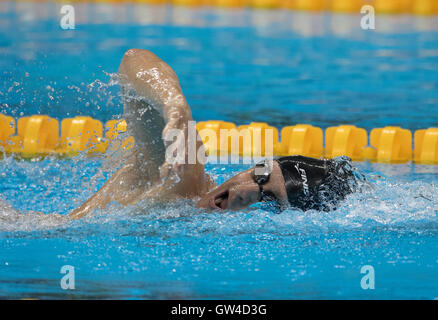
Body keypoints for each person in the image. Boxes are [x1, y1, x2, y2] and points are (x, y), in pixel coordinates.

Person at [68, 49, 358, 219]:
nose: (245, 192)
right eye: (260, 175)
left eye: (268, 200)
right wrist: (175, 105)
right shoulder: (181, 177)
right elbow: (134, 60)